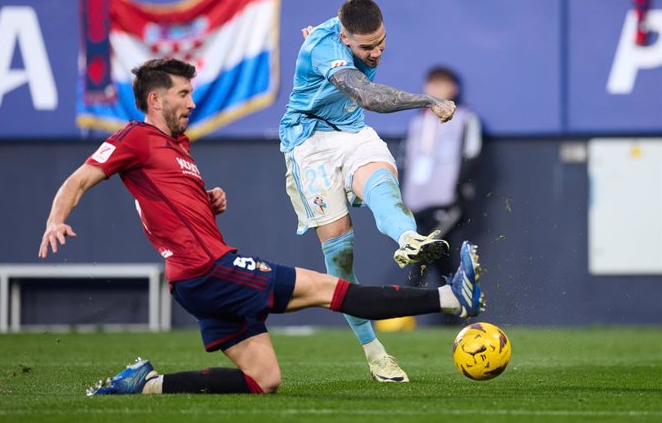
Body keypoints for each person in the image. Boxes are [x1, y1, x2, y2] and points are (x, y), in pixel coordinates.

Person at [38, 58, 484, 395]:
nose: (192, 102)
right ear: (156, 99)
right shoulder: (135, 137)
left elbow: (163, 206)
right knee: (329, 289)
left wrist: (207, 202)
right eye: (183, 94)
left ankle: (148, 383)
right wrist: (58, 217)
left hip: (194, 281)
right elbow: (80, 179)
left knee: (264, 380)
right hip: (210, 269)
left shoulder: (177, 147)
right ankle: (449, 298)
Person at [279, 0, 456, 382]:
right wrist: (428, 100)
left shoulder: (342, 31)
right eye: (366, 48)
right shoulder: (325, 49)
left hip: (352, 131)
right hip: (309, 143)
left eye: (381, 42)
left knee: (381, 181)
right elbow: (369, 97)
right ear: (345, 37)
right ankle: (375, 353)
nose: (376, 53)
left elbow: (351, 75)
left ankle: (409, 238)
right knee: (340, 254)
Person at [401, 66, 482, 291]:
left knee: (428, 252)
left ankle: (405, 302)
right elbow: (407, 160)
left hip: (447, 200)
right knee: (436, 256)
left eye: (442, 84)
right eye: (432, 84)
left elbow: (472, 156)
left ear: (453, 89)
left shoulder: (465, 119)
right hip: (416, 200)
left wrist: (459, 192)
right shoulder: (417, 123)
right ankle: (452, 307)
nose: (436, 89)